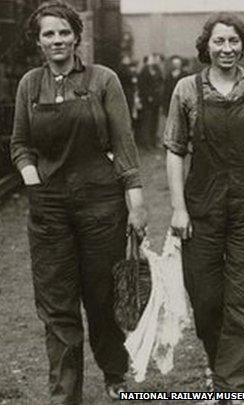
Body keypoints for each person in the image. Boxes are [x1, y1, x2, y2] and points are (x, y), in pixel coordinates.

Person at [10, 1, 147, 404]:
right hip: (49, 208)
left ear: (76, 36)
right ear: (38, 41)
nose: (57, 40)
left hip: (102, 204)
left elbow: (125, 146)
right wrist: (34, 182)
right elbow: (20, 144)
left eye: (63, 32)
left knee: (102, 297)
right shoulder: (29, 85)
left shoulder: (104, 80)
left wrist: (136, 204)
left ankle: (114, 372)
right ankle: (65, 394)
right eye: (48, 34)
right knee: (56, 305)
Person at [164, 12, 244, 404]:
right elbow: (173, 151)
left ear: (243, 44)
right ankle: (223, 366)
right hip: (201, 207)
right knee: (205, 298)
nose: (226, 49)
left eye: (233, 41)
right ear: (207, 46)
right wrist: (178, 209)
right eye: (219, 41)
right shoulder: (187, 90)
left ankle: (231, 386)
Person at [138, 54, 163, 149]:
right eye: (151, 59)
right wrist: (148, 95)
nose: (153, 60)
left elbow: (160, 82)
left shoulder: (157, 70)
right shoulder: (144, 71)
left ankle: (153, 142)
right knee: (147, 121)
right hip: (147, 101)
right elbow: (142, 86)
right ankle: (146, 143)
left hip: (156, 100)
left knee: (155, 121)